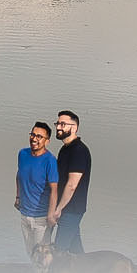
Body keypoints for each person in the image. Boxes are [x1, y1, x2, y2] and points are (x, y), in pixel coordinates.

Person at [14, 120, 59, 264]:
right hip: (24, 213)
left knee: (42, 256)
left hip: (41, 218)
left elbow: (54, 189)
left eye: (39, 136)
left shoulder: (50, 161)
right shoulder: (23, 154)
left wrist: (51, 214)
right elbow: (19, 174)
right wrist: (18, 196)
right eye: (33, 134)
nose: (34, 139)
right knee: (30, 252)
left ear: (47, 141)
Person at [48, 109, 91, 254]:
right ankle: (87, 269)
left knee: (59, 251)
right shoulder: (65, 149)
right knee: (76, 251)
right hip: (65, 209)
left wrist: (58, 209)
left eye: (63, 124)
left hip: (71, 209)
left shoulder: (79, 151)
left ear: (74, 127)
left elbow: (72, 184)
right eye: (57, 124)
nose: (58, 127)